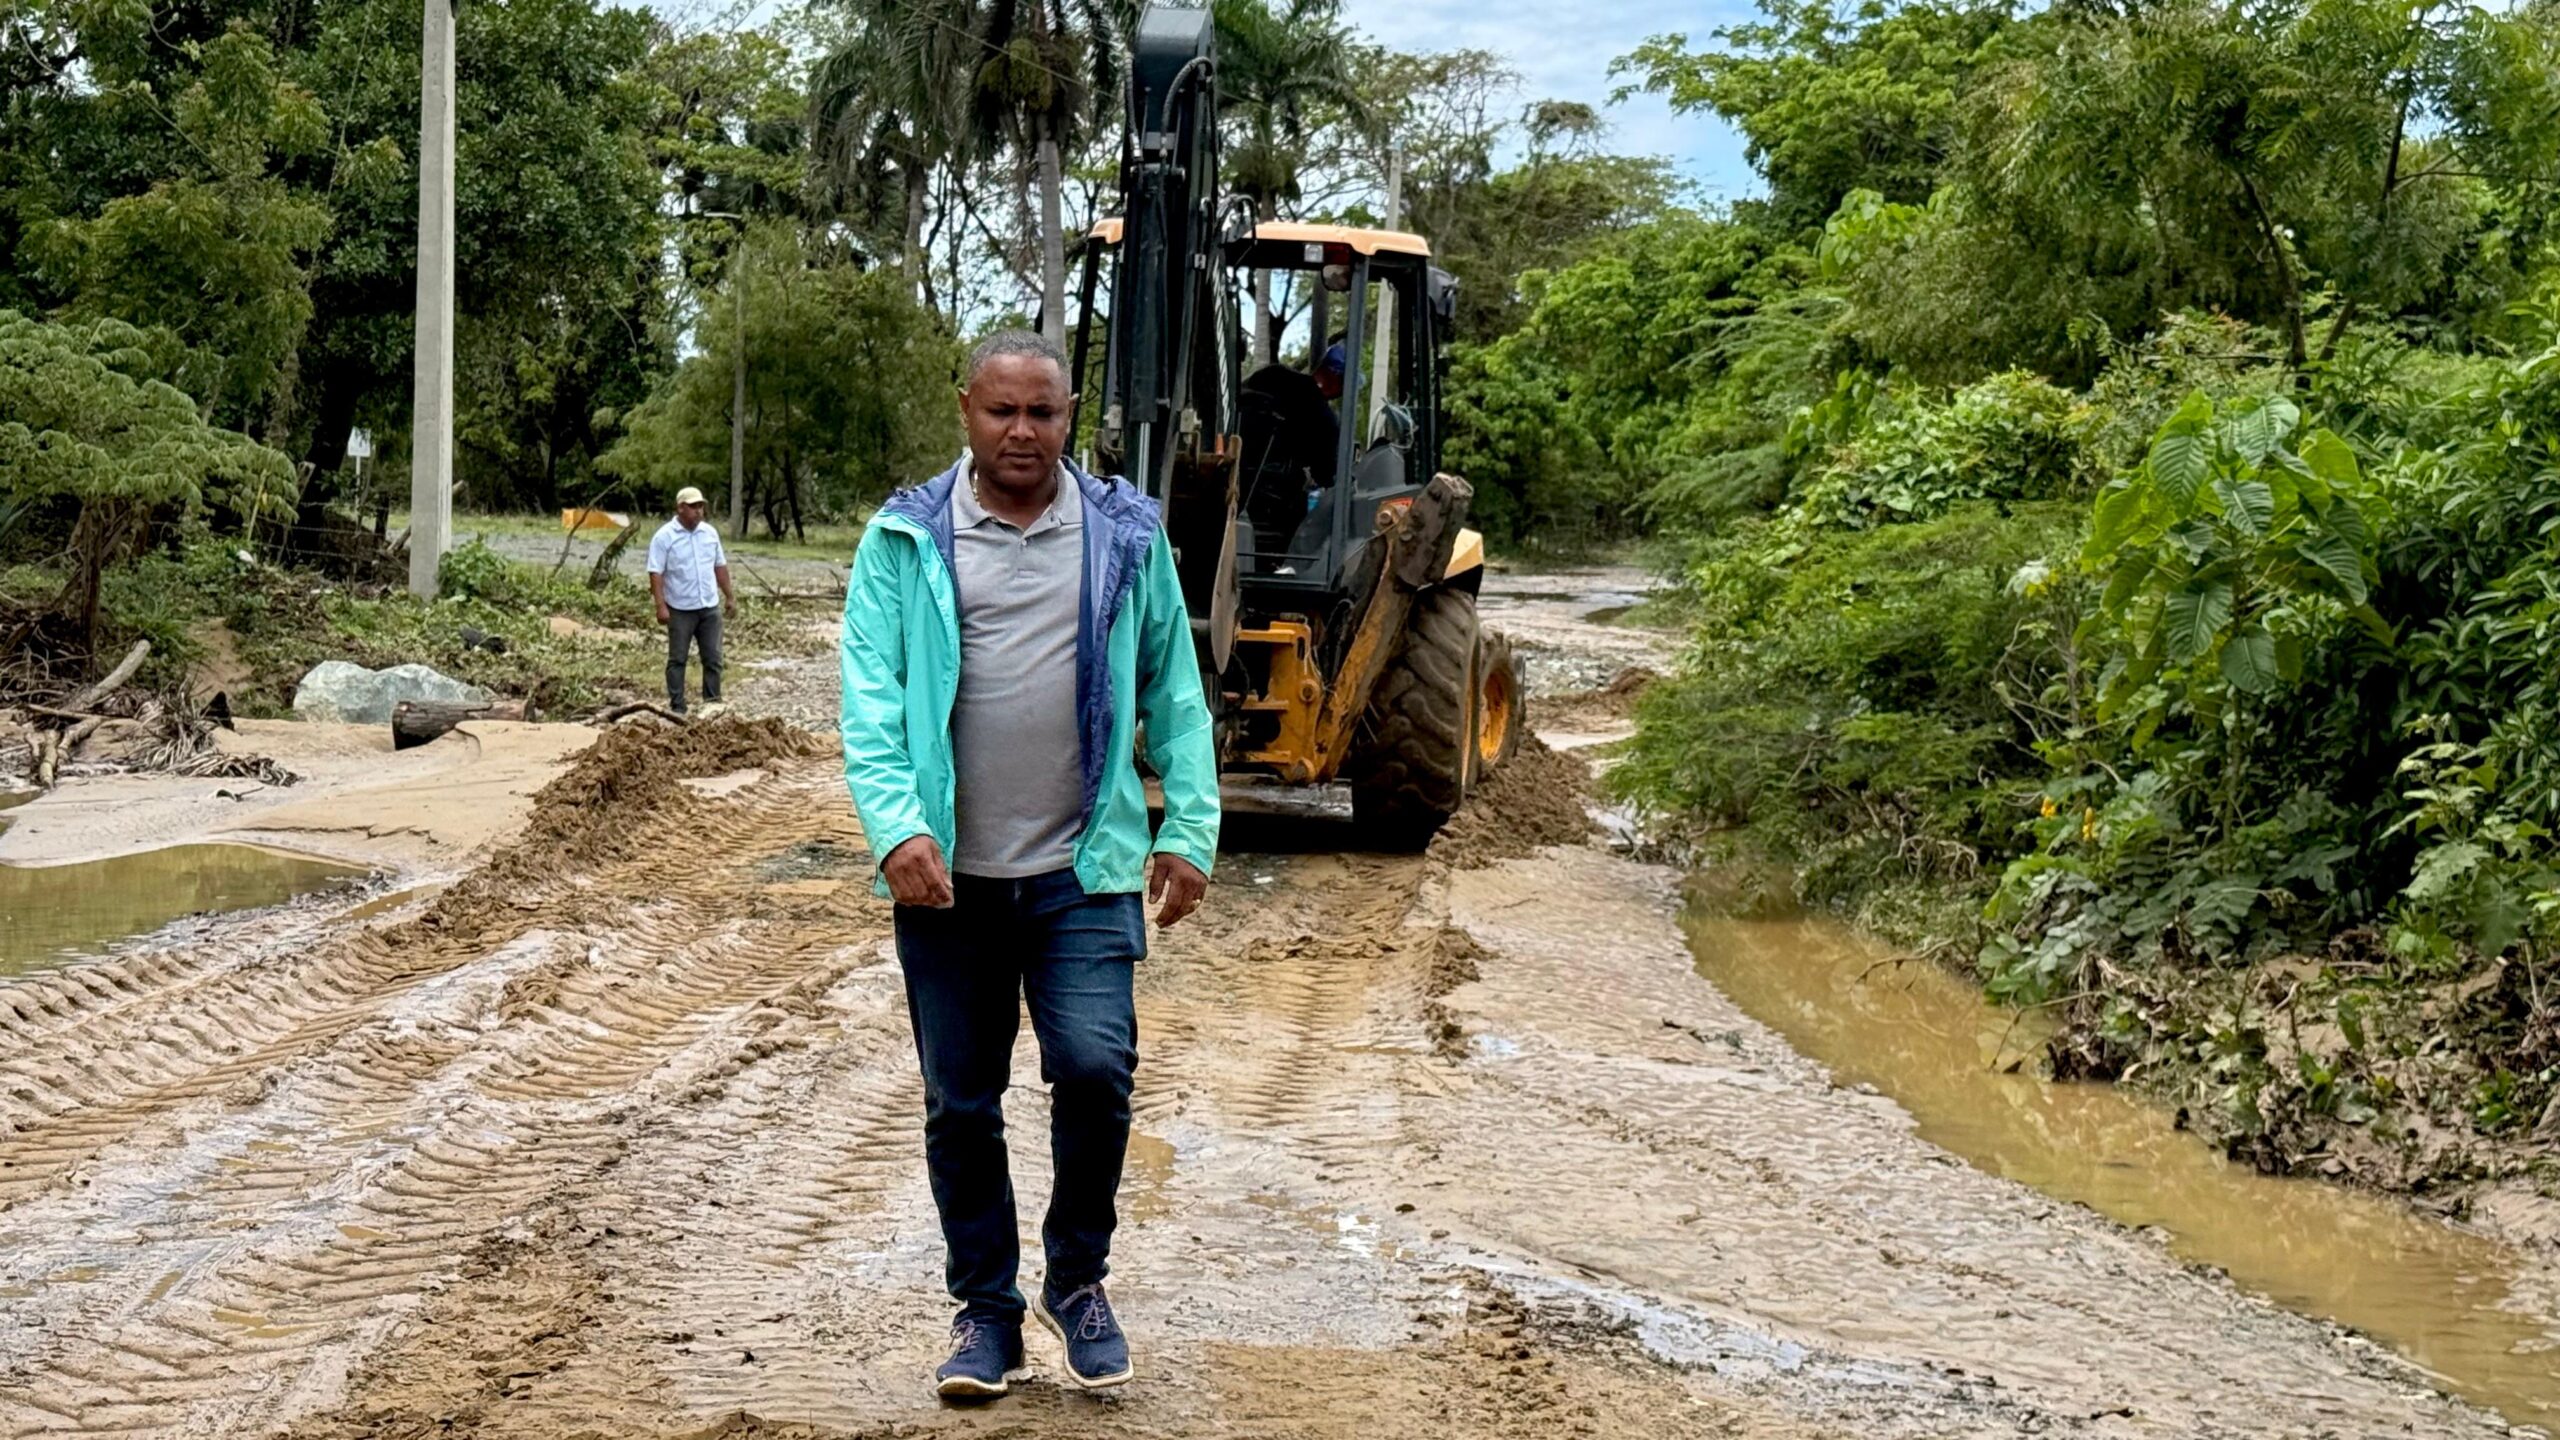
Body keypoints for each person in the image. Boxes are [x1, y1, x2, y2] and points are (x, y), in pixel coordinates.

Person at [837, 329, 1220, 1402]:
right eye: (1001, 411)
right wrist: (894, 827)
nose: (1021, 431)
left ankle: (1079, 1283)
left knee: (1095, 1073)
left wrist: (1189, 827)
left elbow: (1175, 695)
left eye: (1041, 413)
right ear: (966, 410)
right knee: (961, 1100)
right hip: (946, 879)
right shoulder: (904, 539)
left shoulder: (1124, 536)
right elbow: (868, 702)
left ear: (1068, 417)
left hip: (1083, 872)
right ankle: (986, 1315)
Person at [647, 486, 735, 714]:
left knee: (713, 658)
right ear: (681, 508)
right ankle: (677, 707)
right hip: (680, 608)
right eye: (694, 506)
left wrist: (729, 596)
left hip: (708, 605)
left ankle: (713, 703)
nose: (699, 511)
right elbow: (656, 572)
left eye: (701, 506)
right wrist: (660, 605)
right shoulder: (664, 536)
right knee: (678, 659)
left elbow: (720, 566)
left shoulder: (709, 533)